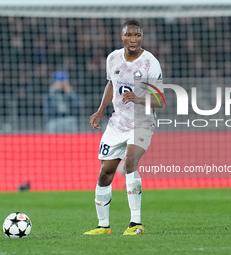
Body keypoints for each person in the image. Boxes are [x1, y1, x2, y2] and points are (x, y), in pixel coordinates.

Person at [84, 20, 164, 236]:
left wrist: (138, 99)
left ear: (142, 37)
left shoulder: (150, 63)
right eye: (129, 35)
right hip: (117, 123)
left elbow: (160, 100)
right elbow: (111, 84)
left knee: (130, 161)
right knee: (105, 173)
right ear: (122, 37)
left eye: (137, 35)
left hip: (142, 122)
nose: (133, 39)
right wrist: (100, 111)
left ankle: (135, 223)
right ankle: (103, 226)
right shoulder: (113, 58)